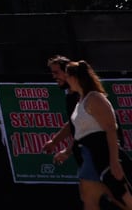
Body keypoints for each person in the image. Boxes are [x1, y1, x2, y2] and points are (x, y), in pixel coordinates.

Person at [61, 60, 128, 210]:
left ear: (75, 78)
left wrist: (115, 162)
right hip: (89, 155)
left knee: (122, 198)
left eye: (67, 76)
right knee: (89, 197)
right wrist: (67, 151)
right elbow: (79, 132)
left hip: (101, 154)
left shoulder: (95, 98)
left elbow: (111, 129)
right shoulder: (80, 101)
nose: (65, 79)